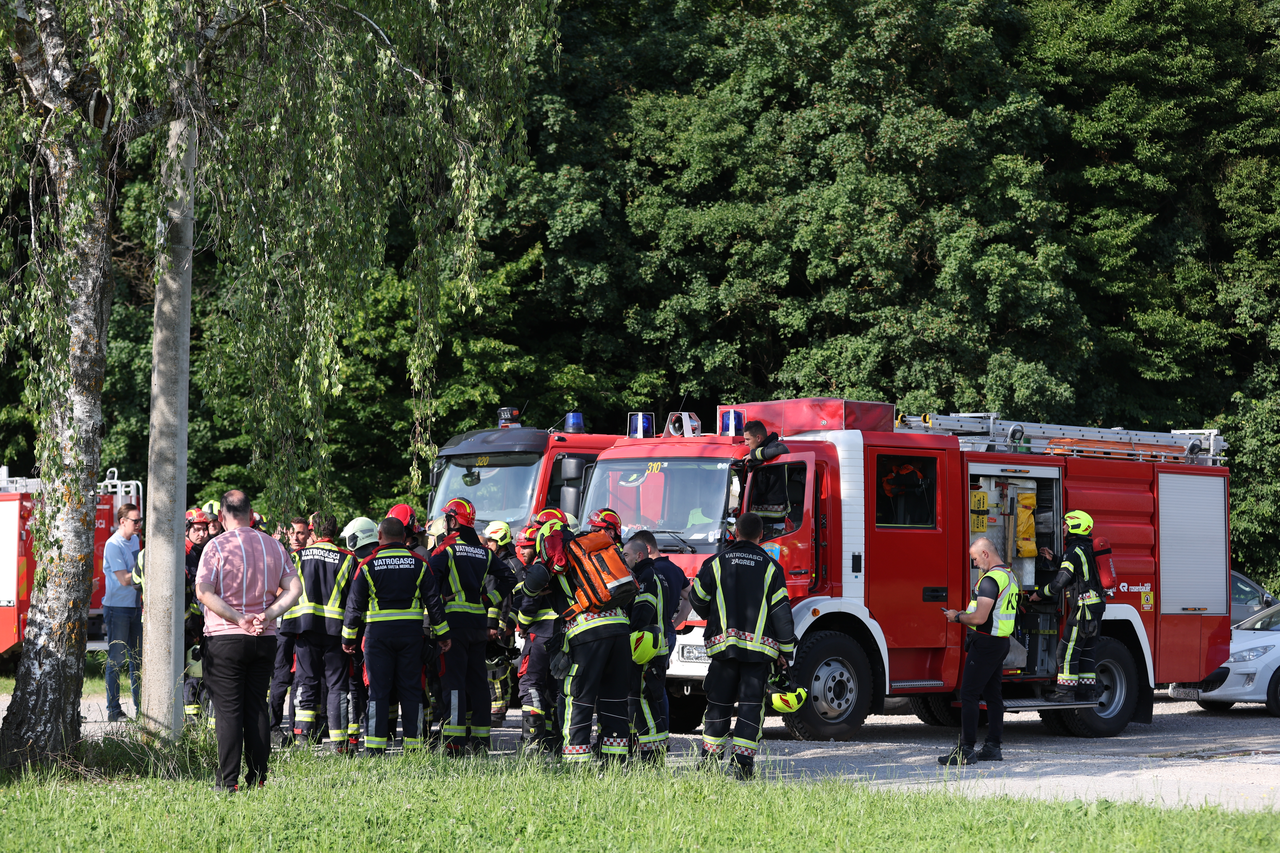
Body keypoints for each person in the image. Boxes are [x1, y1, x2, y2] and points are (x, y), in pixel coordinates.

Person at [195, 490, 302, 793]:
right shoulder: (274, 546)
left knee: (228, 711)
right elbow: (295, 589)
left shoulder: (216, 547)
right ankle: (258, 778)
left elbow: (204, 591)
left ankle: (228, 782)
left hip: (225, 638)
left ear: (225, 516)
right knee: (256, 707)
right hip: (264, 638)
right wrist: (268, 614)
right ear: (251, 513)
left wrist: (236, 617)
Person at [690, 511, 797, 780]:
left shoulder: (715, 563)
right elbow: (782, 614)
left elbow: (697, 599)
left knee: (717, 704)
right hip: (759, 655)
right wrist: (786, 653)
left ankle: (709, 765)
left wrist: (712, 615)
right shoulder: (771, 568)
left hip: (723, 651)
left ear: (735, 532)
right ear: (761, 536)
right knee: (751, 708)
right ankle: (742, 767)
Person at [342, 516, 451, 755]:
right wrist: (443, 635)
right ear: (403, 537)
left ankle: (375, 749)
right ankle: (413, 748)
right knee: (412, 690)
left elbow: (354, 606)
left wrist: (348, 639)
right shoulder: (420, 563)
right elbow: (434, 603)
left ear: (379, 536)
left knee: (378, 692)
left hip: (378, 637)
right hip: (411, 636)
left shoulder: (368, 564)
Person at [528, 519, 632, 766]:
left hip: (587, 633)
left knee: (577, 698)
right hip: (619, 628)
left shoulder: (554, 559)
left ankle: (577, 762)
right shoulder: (592, 551)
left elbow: (530, 590)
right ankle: (614, 762)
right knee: (615, 699)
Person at [429, 498, 516, 755]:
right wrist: (488, 599)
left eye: (447, 517)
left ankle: (454, 744)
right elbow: (509, 578)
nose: (445, 522)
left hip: (453, 627)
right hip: (477, 626)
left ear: (454, 521)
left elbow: (430, 586)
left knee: (453, 684)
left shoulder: (444, 550)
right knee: (478, 684)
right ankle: (480, 743)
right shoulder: (485, 552)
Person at [939, 537, 1018, 765]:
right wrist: (968, 615)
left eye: (974, 558)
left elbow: (980, 617)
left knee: (969, 694)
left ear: (985, 554)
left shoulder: (990, 580)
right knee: (993, 696)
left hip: (985, 643)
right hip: (1000, 642)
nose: (974, 564)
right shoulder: (1009, 576)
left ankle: (965, 750)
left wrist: (957, 617)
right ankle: (993, 747)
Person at [284, 513, 356, 751]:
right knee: (337, 686)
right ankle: (339, 742)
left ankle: (302, 738)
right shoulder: (348, 559)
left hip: (305, 629)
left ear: (313, 532)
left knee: (306, 680)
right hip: (337, 632)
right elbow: (354, 599)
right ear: (335, 531)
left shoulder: (297, 556)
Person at [1032, 510, 1106, 703]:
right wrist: (1055, 559)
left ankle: (1064, 692)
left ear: (1074, 526)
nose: (1063, 527)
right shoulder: (1085, 548)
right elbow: (1079, 572)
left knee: (1066, 650)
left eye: (1066, 524)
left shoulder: (1073, 551)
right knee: (1087, 651)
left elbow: (1060, 582)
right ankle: (1086, 691)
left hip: (1082, 610)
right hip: (1095, 607)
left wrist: (1039, 594)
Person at [514, 524, 561, 752]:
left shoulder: (537, 569)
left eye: (526, 547)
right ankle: (555, 738)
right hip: (562, 634)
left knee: (530, 684)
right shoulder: (559, 566)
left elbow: (529, 603)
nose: (522, 551)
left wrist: (522, 625)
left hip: (539, 635)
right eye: (520, 547)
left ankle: (532, 741)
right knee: (555, 687)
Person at [622, 536, 668, 761]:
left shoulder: (647, 577)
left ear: (640, 555)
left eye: (626, 555)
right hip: (652, 650)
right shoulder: (652, 574)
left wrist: (626, 630)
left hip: (647, 652)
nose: (623, 558)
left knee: (643, 701)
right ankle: (637, 747)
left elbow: (642, 614)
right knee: (642, 700)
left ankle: (652, 756)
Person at [339, 516, 380, 752]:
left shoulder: (359, 564)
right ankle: (375, 737)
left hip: (362, 636)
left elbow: (352, 606)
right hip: (382, 633)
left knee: (356, 686)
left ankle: (355, 740)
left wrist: (348, 638)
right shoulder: (382, 558)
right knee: (379, 687)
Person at [102, 503, 143, 723]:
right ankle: (114, 710)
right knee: (116, 660)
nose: (139, 525)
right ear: (123, 521)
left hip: (135, 607)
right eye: (135, 521)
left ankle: (142, 710)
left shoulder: (135, 540)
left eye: (140, 520)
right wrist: (147, 571)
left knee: (138, 661)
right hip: (118, 608)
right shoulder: (113, 545)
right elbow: (125, 579)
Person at [482, 520, 522, 723]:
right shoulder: (493, 562)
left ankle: (498, 710)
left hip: (504, 625)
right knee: (491, 667)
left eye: (491, 541)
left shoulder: (515, 565)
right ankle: (495, 706)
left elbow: (520, 597)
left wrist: (508, 624)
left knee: (500, 669)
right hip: (493, 624)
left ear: (501, 540)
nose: (487, 544)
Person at [743, 421, 790, 534]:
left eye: (748, 439)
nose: (745, 443)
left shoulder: (775, 447)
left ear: (758, 438)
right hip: (757, 518)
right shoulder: (760, 452)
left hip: (775, 520)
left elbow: (783, 450)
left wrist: (754, 455)